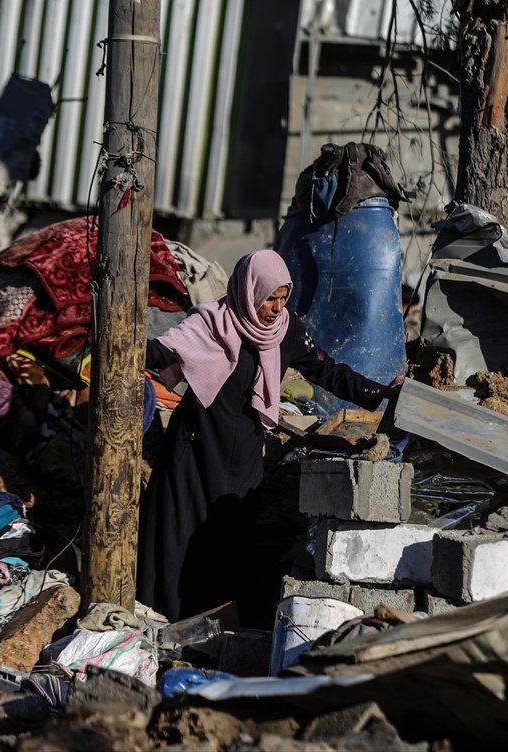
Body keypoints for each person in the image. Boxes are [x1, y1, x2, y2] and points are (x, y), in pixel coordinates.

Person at [138, 250, 404, 621]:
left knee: (230, 539)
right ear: (248, 291)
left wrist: (379, 392)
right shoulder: (212, 324)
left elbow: (327, 370)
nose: (277, 308)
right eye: (269, 299)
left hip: (245, 455)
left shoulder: (285, 331)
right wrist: (122, 347)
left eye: (283, 298)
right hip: (196, 449)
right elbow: (162, 350)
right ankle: (168, 618)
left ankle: (217, 625)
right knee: (180, 535)